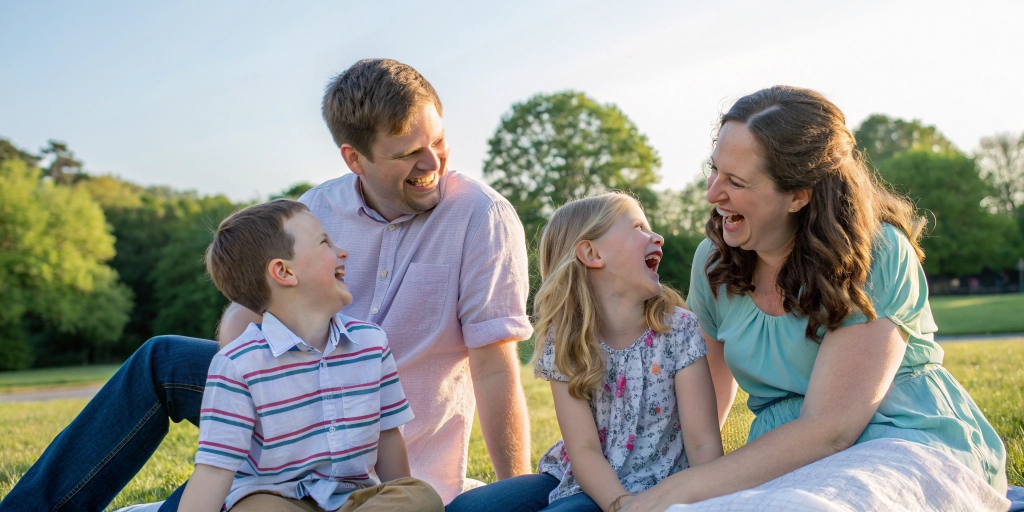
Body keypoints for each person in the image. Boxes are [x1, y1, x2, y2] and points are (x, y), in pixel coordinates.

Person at [0, 58, 531, 511]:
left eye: (438, 141)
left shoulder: (481, 217)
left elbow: (494, 362)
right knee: (164, 359)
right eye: (407, 153)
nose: (432, 162)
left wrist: (515, 491)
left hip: (376, 442)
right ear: (354, 159)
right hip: (287, 424)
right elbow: (247, 310)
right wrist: (250, 394)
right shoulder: (315, 210)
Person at [618, 86, 1009, 511]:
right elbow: (701, 408)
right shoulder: (712, 263)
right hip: (780, 458)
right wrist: (661, 480)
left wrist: (681, 491)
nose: (713, 193)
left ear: (799, 194)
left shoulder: (876, 252)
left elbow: (831, 429)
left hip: (903, 442)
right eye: (714, 171)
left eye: (736, 181)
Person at [448, 193, 723, 512]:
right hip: (579, 474)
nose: (657, 237)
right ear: (591, 253)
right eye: (638, 227)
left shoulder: (678, 330)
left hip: (656, 482)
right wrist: (619, 503)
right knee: (466, 507)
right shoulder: (566, 341)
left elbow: (704, 445)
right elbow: (584, 450)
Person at [177, 199, 443, 512]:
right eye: (325, 242)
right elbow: (214, 469)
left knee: (420, 496)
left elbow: (386, 435)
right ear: (284, 271)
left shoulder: (371, 344)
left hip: (353, 501)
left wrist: (402, 494)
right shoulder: (237, 364)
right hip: (275, 499)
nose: (341, 251)